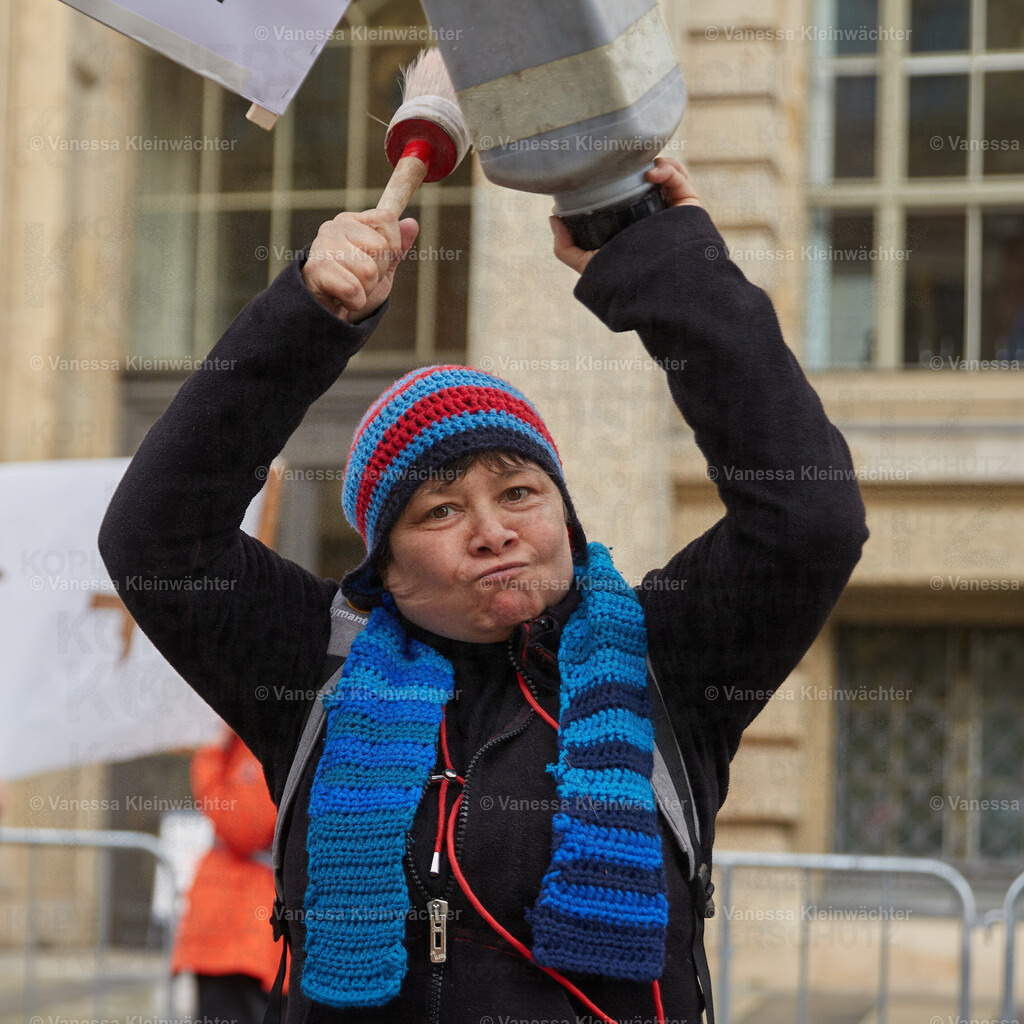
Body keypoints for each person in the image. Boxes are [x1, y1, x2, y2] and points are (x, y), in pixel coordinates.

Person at [99, 157, 869, 1024]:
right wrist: (309, 321)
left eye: (519, 492)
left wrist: (666, 266)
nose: (492, 529)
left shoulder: (672, 655)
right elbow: (151, 538)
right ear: (382, 563)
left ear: (565, 516)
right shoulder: (314, 662)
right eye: (439, 510)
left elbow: (811, 518)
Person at [170, 725, 289, 1024]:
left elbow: (244, 826)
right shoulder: (241, 743)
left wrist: (211, 750)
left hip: (244, 939)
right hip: (228, 937)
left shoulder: (262, 743)